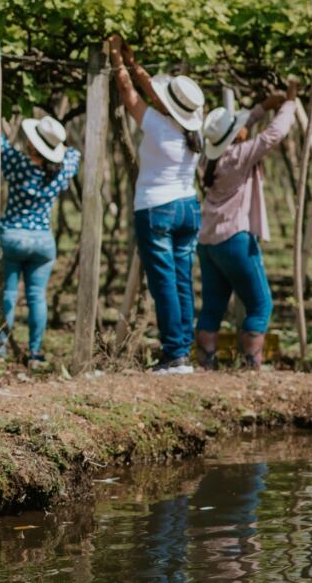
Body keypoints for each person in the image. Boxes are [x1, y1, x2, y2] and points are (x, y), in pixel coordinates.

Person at [109, 36, 205, 374]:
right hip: (188, 207)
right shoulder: (196, 130)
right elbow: (151, 93)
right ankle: (182, 352)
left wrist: (118, 62)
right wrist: (133, 64)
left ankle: (173, 354)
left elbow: (129, 94)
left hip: (157, 208)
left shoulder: (157, 125)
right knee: (181, 280)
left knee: (163, 282)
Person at [195, 83, 299, 370]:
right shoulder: (239, 156)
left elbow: (240, 126)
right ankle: (252, 367)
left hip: (207, 242)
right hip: (235, 239)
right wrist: (289, 103)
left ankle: (205, 366)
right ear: (234, 136)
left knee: (213, 305)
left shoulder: (208, 156)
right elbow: (273, 135)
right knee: (260, 303)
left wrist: (263, 106)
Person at [0, 105, 80, 368]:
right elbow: (73, 154)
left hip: (14, 237)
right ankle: (35, 352)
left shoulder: (16, 163)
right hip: (42, 242)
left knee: (8, 294)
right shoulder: (61, 172)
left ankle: (0, 348)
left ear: (33, 146)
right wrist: (55, 147)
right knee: (37, 296)